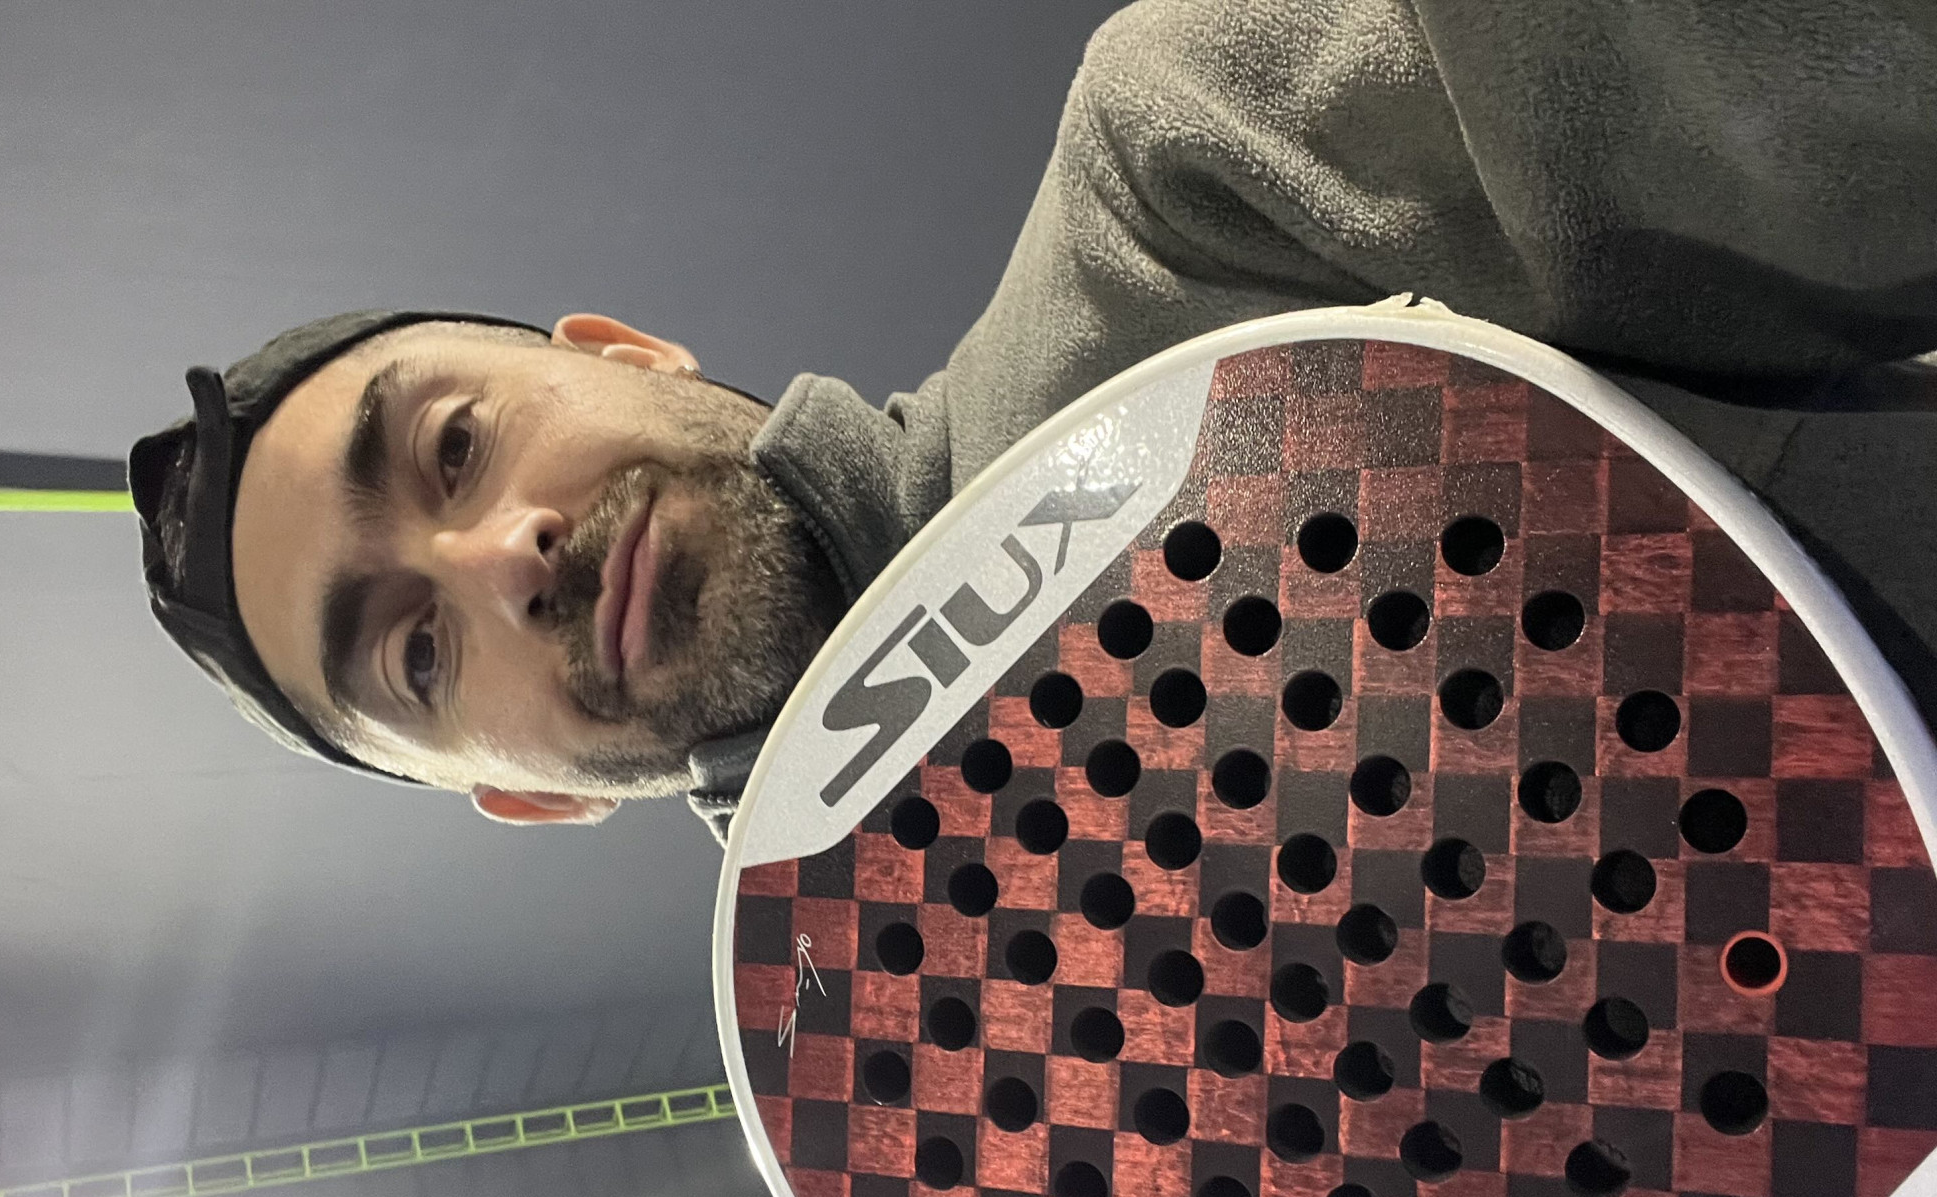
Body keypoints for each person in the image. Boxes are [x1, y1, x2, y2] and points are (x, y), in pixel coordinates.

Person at [130, 0, 1937, 846]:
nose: (500, 557)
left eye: (455, 449)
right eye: (417, 652)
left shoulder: (1193, 199)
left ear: (631, 351)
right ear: (522, 795)